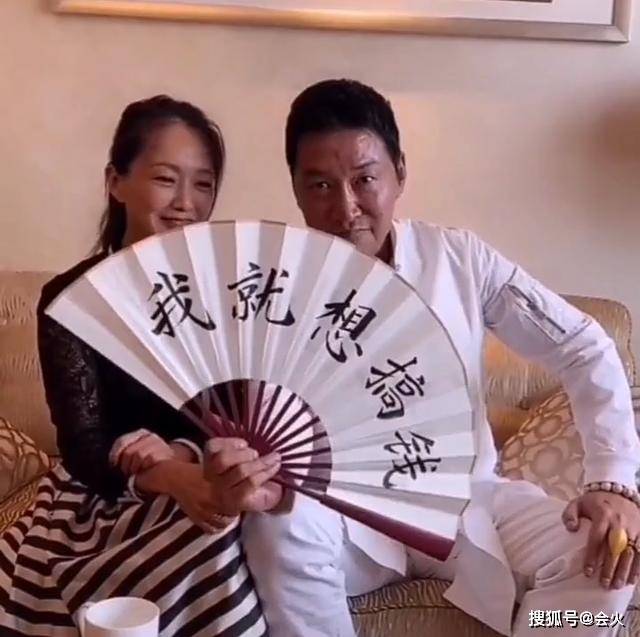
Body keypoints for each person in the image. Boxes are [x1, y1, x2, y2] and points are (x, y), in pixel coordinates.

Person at [240, 79, 640, 636]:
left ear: (399, 173)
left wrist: (612, 482)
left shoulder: (458, 260)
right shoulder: (271, 291)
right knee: (277, 523)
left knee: (607, 556)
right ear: (297, 190)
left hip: (468, 503)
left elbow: (582, 344)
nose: (346, 208)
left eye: (364, 179)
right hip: (347, 516)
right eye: (321, 186)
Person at [0, 95, 273, 637]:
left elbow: (245, 416)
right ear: (116, 182)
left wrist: (186, 457)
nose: (186, 203)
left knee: (224, 527)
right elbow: (83, 445)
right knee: (206, 540)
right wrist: (165, 475)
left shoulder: (232, 290)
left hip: (210, 474)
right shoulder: (72, 299)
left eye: (203, 184)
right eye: (166, 179)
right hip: (108, 493)